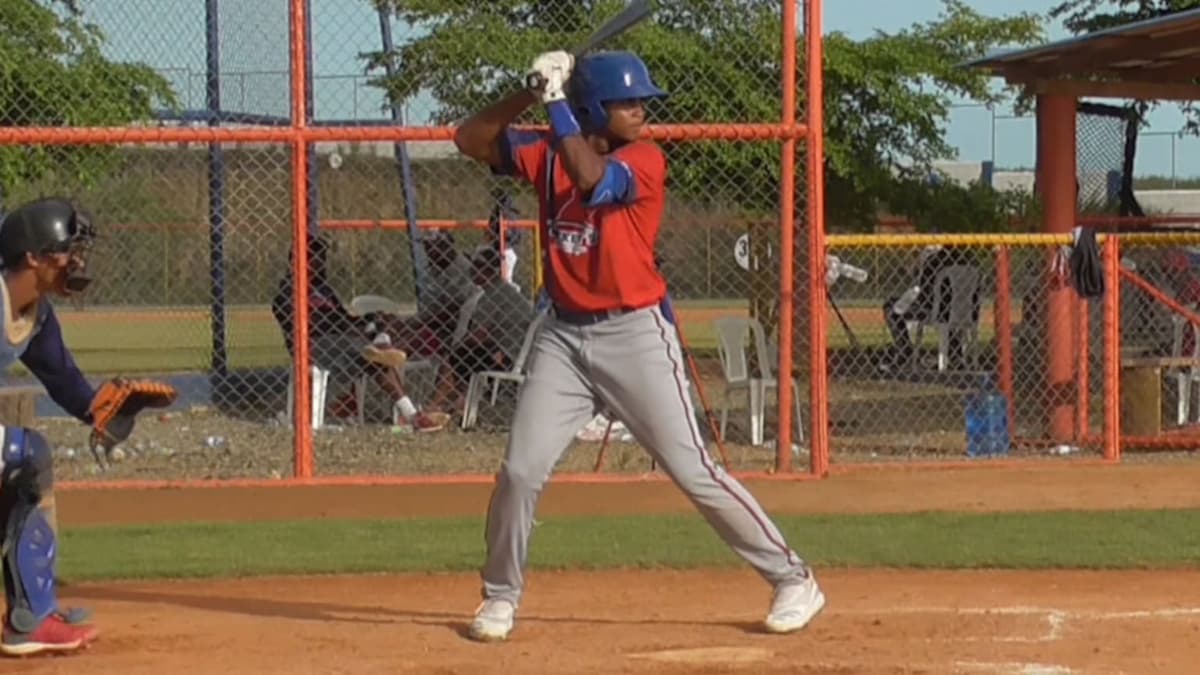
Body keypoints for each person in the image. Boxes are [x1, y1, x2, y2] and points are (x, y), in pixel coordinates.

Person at [452, 49, 824, 642]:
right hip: (563, 338)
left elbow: (591, 179)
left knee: (693, 470)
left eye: (641, 101)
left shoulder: (644, 160)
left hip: (635, 333)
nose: (640, 111)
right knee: (520, 471)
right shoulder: (546, 152)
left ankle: (793, 577)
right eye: (627, 102)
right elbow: (469, 137)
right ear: (593, 108)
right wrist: (530, 89)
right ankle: (500, 596)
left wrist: (554, 105)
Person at [0, 198, 113, 655]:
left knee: (26, 462)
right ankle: (30, 618)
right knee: (25, 458)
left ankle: (32, 615)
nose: (76, 260)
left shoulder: (35, 313)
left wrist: (105, 409)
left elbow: (63, 380)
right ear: (33, 256)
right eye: (68, 250)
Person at [270, 235, 445, 431]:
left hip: (342, 340)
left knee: (376, 333)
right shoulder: (287, 292)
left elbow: (342, 319)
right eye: (315, 259)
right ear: (297, 261)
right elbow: (306, 327)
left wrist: (368, 318)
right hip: (314, 346)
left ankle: (411, 412)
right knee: (369, 352)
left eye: (322, 258)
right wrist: (346, 326)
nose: (321, 264)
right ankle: (382, 350)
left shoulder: (323, 289)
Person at [430, 246, 535, 414]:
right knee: (465, 354)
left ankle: (435, 405)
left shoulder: (493, 295)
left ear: (486, 270)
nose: (472, 270)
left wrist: (455, 347)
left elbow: (481, 334)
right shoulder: (503, 290)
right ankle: (460, 401)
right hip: (518, 354)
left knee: (456, 356)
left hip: (508, 356)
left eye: (476, 266)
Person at [880, 244, 980, 372]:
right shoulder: (968, 262)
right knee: (948, 313)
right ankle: (955, 354)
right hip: (968, 312)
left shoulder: (933, 261)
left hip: (934, 312)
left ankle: (903, 349)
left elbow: (924, 294)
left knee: (890, 306)